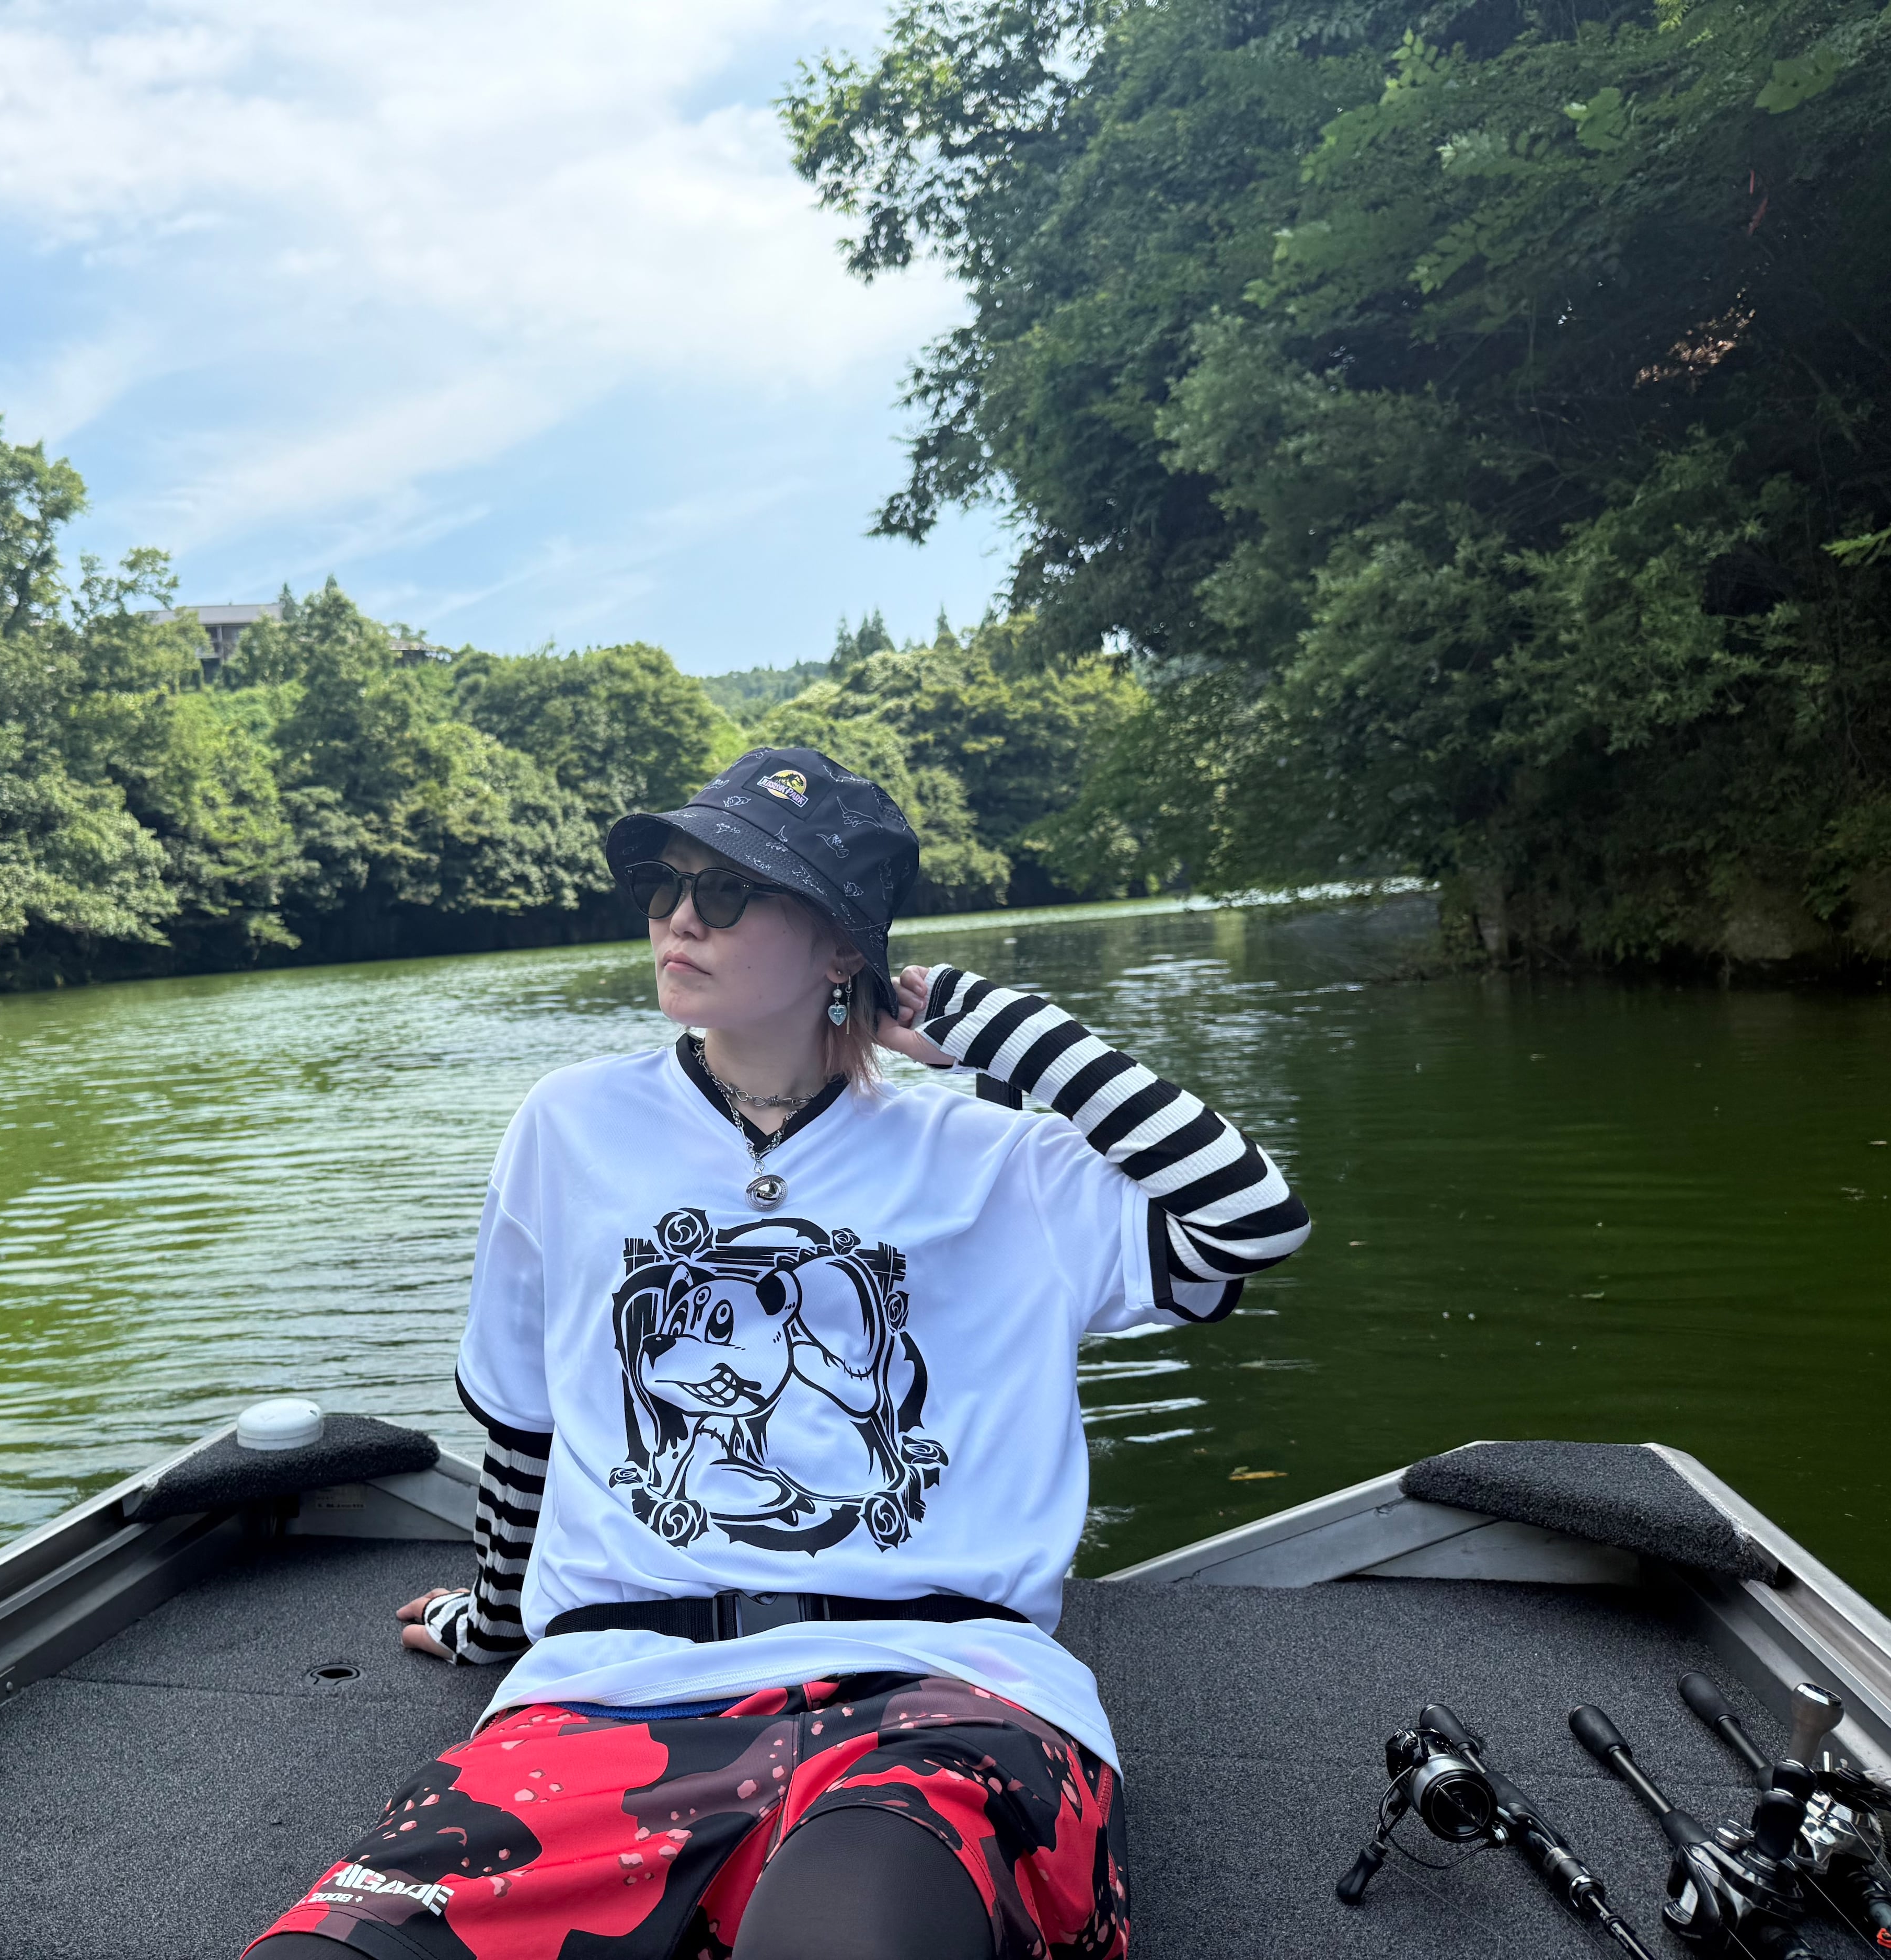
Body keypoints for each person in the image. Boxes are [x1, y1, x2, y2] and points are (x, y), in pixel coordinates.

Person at [247, 746, 1311, 1960]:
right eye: (664, 886)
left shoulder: (999, 1162)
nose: (679, 918)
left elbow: (1251, 1221)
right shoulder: (567, 1125)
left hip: (934, 1696)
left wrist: (990, 1029)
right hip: (605, 1700)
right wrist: (492, 1627)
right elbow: (529, 1430)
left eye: (729, 891)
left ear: (842, 948)